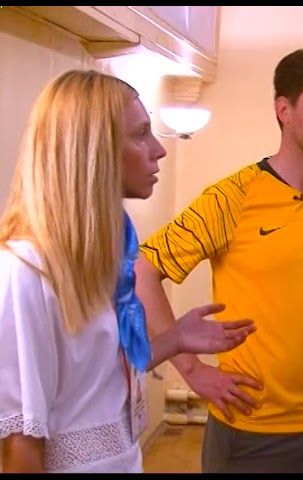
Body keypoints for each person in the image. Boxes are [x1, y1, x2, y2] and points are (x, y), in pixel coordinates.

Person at [134, 44, 303, 473]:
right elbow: (143, 271)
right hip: (252, 429)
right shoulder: (231, 197)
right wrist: (192, 370)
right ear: (284, 109)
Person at [0, 69, 256, 473]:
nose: (159, 150)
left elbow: (93, 384)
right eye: (141, 134)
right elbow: (21, 444)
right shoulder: (26, 270)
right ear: (94, 150)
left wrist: (173, 340)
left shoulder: (108, 256)